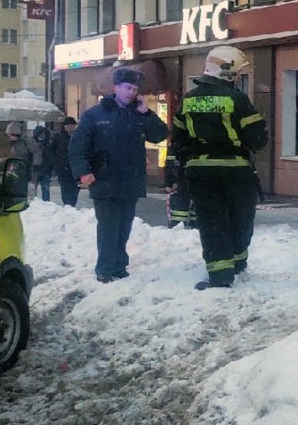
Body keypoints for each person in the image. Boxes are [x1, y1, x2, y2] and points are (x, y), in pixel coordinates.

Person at [171, 46, 268, 290]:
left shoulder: (189, 99)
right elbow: (257, 139)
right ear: (228, 71)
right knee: (240, 218)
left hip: (200, 172)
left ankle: (219, 274)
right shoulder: (236, 99)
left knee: (212, 222)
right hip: (236, 171)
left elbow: (179, 138)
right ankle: (237, 264)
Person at [69, 67, 170, 283]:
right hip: (104, 179)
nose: (131, 92)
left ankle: (119, 266)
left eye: (135, 89)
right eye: (127, 87)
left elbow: (161, 134)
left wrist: (147, 113)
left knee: (124, 225)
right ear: (115, 87)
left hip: (130, 180)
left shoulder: (138, 114)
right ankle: (105, 268)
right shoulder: (94, 115)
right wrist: (84, 171)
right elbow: (78, 146)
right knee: (108, 226)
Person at [49, 116, 79, 206]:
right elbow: (49, 150)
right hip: (62, 167)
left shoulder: (79, 136)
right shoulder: (58, 137)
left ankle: (72, 204)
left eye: (71, 125)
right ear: (64, 127)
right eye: (67, 125)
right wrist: (56, 162)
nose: (69, 127)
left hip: (76, 167)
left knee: (75, 187)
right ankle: (67, 205)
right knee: (65, 187)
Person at [163, 155, 197, 229]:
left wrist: (169, 182)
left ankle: (179, 229)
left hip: (184, 183)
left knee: (182, 212)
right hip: (195, 182)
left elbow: (171, 163)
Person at [4, 122, 34, 195]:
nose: (8, 138)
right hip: (17, 167)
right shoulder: (14, 143)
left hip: (25, 167)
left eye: (9, 136)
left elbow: (35, 152)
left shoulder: (26, 141)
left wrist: (34, 165)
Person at [31, 124, 52, 201]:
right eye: (40, 134)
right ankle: (32, 202)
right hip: (36, 169)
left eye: (43, 134)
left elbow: (51, 156)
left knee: (45, 188)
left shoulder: (49, 144)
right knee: (33, 188)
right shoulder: (32, 143)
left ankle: (46, 203)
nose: (42, 136)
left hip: (45, 169)